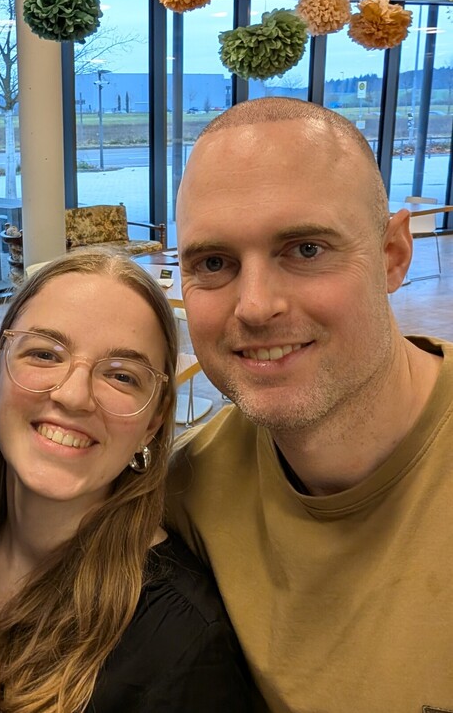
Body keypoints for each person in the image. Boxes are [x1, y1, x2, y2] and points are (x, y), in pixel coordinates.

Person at [168, 96, 453, 712]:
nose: (255, 306)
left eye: (305, 250)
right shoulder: (187, 490)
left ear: (393, 255)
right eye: (213, 263)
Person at [0, 250, 254, 712]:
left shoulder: (181, 644)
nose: (74, 396)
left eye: (122, 376)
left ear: (152, 423)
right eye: (45, 353)